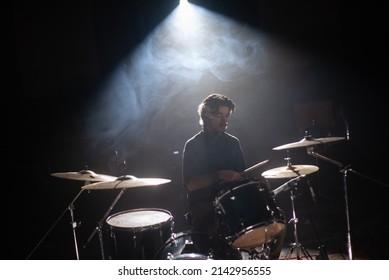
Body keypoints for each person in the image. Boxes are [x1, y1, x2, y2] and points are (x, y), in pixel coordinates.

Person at [182, 93, 285, 259]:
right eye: (219, 115)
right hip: (204, 209)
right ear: (206, 116)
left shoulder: (232, 142)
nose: (224, 121)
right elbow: (191, 184)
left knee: (276, 219)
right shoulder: (193, 145)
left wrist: (245, 181)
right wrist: (219, 175)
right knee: (225, 256)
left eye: (227, 115)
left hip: (233, 207)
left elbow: (242, 176)